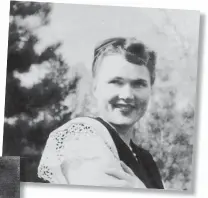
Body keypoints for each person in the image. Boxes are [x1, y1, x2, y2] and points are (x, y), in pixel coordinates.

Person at [38, 37, 164, 189]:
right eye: (116, 82)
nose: (127, 95)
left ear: (151, 89)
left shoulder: (146, 159)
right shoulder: (81, 137)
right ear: (95, 88)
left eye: (139, 84)